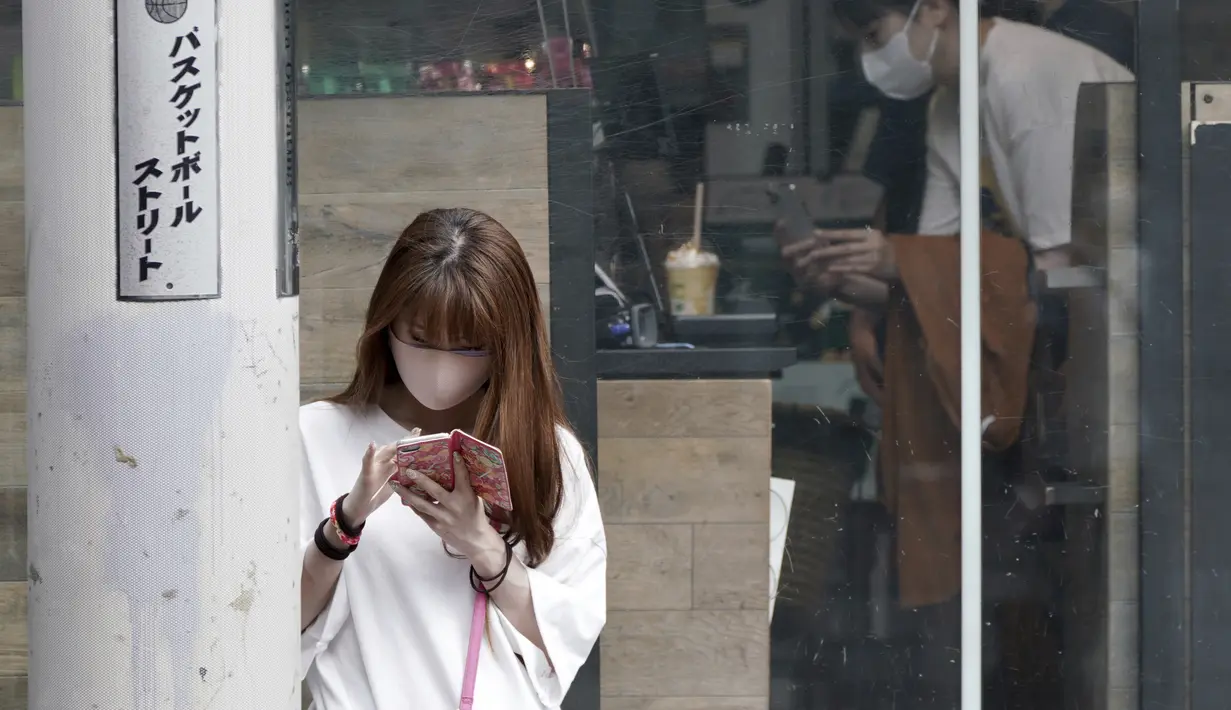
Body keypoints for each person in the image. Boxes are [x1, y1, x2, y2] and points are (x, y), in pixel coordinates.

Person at [298, 208, 607, 709]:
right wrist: (342, 528)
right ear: (386, 324)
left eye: (468, 346)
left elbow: (569, 631)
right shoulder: (316, 435)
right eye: (419, 339)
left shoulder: (546, 452)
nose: (440, 365)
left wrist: (483, 547)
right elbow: (270, 625)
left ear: (507, 344)